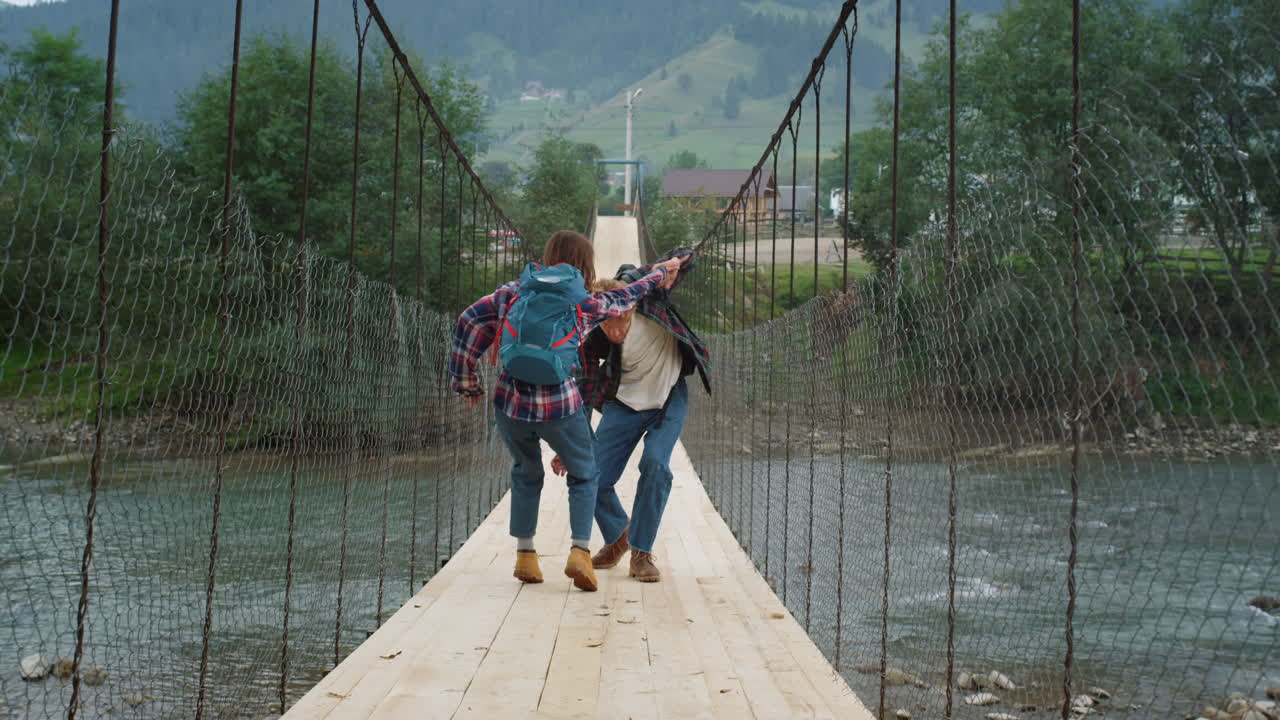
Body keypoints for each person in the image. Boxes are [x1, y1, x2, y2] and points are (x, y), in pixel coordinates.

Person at [449, 230, 681, 592]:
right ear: (586, 265)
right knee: (585, 474)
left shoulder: (512, 292)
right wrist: (657, 276)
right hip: (560, 406)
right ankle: (580, 552)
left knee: (525, 472)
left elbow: (468, 322)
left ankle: (525, 555)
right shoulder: (586, 302)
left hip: (510, 404)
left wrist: (467, 382)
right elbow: (627, 296)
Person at [552, 248, 710, 582]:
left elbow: (687, 255)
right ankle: (618, 536)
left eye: (618, 320)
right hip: (624, 404)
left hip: (669, 396)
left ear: (630, 307)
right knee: (587, 475)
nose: (614, 331)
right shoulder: (594, 334)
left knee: (655, 464)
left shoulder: (651, 299)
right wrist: (568, 441)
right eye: (605, 324)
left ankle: (641, 553)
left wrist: (663, 268)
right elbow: (582, 386)